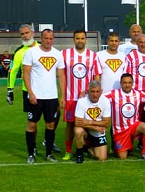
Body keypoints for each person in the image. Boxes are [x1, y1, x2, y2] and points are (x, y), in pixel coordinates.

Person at [22, 29, 67, 164]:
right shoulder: (31, 52)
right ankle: (31, 153)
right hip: (36, 96)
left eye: (51, 38)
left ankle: (48, 154)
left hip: (51, 97)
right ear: (41, 38)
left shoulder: (57, 54)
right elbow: (25, 73)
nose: (48, 41)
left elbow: (61, 76)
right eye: (46, 38)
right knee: (31, 124)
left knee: (50, 125)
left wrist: (63, 96)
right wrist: (30, 93)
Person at [61, 29, 103, 161]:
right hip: (70, 96)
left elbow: (96, 77)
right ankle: (68, 150)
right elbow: (61, 75)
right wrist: (62, 96)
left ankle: (84, 146)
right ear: (74, 39)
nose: (80, 41)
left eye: (82, 38)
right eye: (77, 38)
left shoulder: (93, 55)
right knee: (70, 124)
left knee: (85, 123)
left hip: (87, 98)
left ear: (86, 40)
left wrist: (92, 92)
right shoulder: (65, 54)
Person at [105, 73, 145, 160]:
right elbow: (99, 97)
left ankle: (144, 152)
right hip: (120, 130)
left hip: (134, 126)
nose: (127, 85)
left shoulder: (138, 94)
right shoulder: (113, 94)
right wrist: (86, 93)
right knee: (122, 157)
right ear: (121, 83)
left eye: (129, 82)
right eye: (125, 83)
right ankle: (121, 147)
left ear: (132, 83)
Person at [73, 80, 111, 163]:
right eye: (92, 91)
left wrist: (89, 122)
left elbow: (107, 123)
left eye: (97, 91)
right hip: (86, 130)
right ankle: (79, 155)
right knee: (78, 131)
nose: (95, 94)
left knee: (102, 158)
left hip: (96, 131)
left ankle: (87, 148)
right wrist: (95, 127)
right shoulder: (82, 101)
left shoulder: (105, 101)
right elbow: (77, 122)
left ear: (101, 92)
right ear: (88, 91)